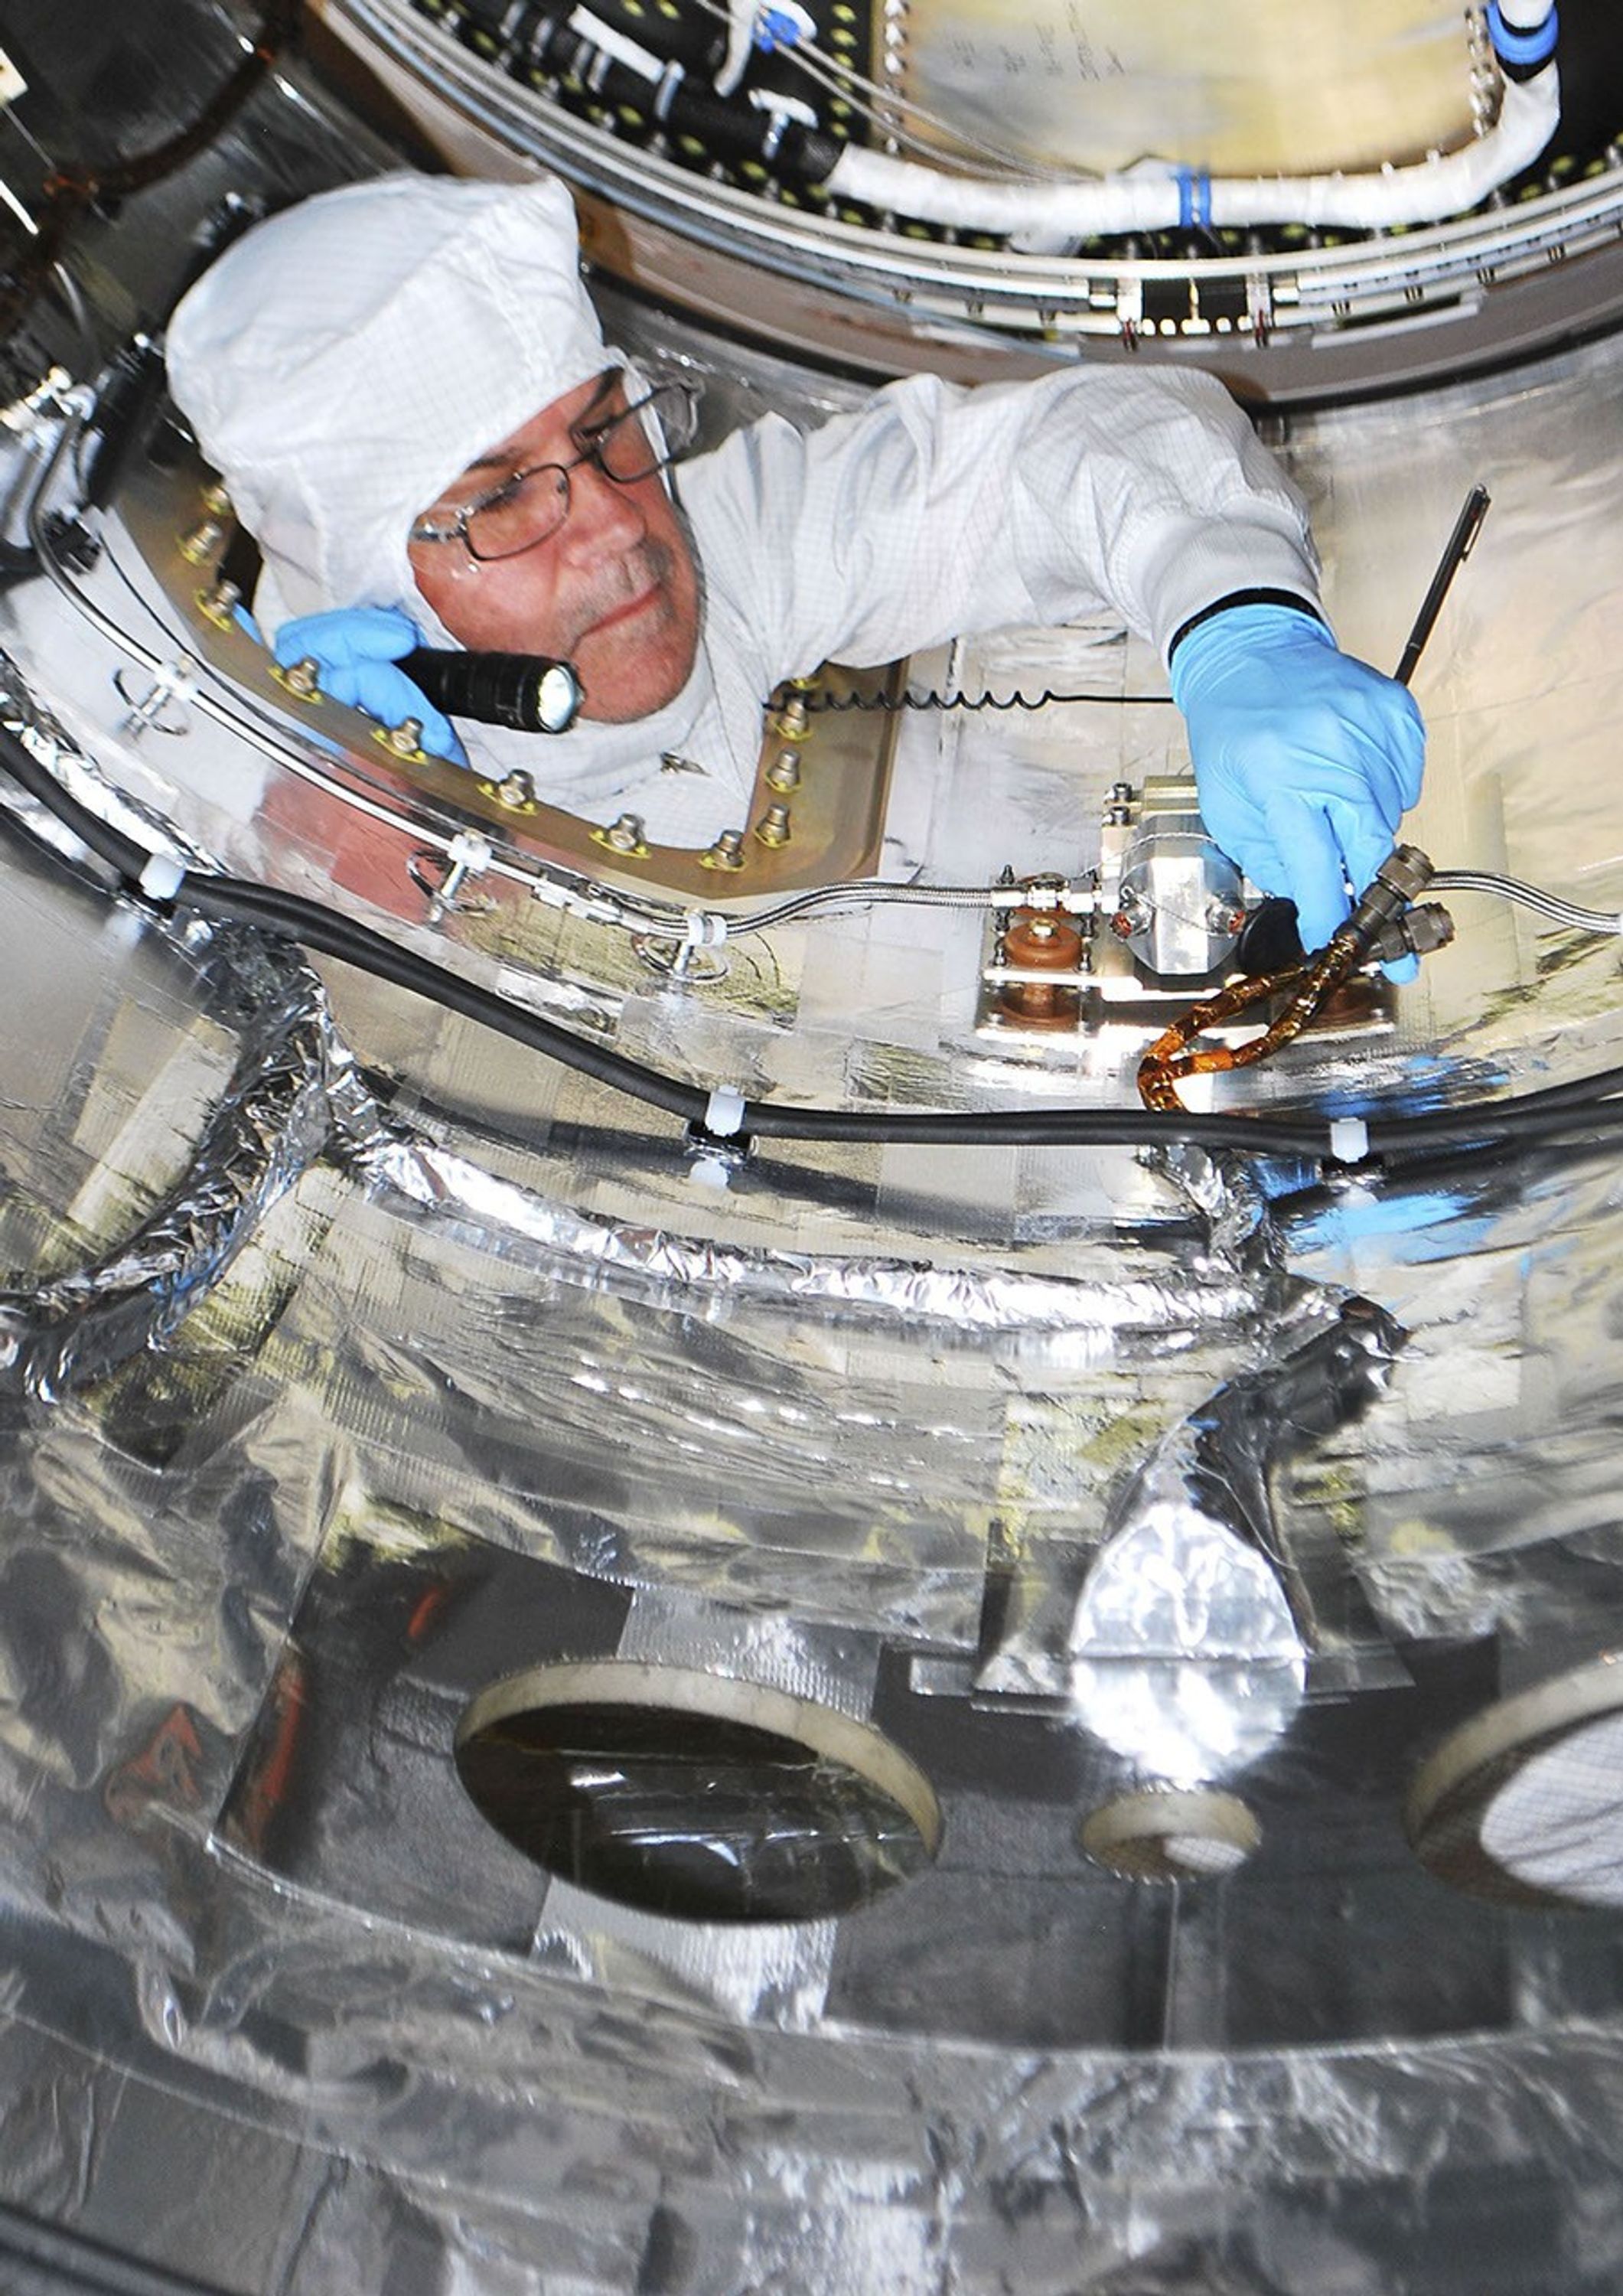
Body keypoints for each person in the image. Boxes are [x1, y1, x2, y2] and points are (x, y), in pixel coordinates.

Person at [165, 171, 1423, 960]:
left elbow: (1076, 444)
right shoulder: (203, 794)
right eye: (499, 500)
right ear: (359, 584)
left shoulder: (718, 546)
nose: (614, 528)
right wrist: (296, 849)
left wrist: (1235, 621)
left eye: (604, 433)